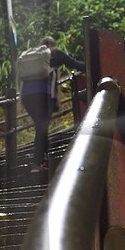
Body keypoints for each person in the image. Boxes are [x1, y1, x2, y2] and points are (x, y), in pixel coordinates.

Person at [17, 35, 85, 172]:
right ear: (53, 45)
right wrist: (93, 63)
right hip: (42, 95)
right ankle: (37, 164)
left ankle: (43, 161)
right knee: (42, 128)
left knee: (41, 127)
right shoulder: (55, 53)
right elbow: (76, 65)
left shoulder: (33, 58)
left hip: (27, 96)